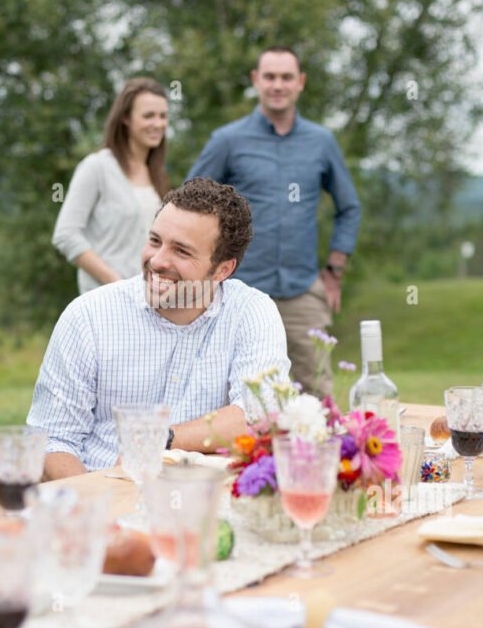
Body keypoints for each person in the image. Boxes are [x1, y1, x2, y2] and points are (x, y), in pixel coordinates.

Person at [29, 177, 291, 480]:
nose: (157, 260)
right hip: (103, 496)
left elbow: (260, 415)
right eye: (155, 241)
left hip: (207, 501)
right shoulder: (88, 316)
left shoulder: (252, 311)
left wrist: (156, 440)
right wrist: (96, 510)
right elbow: (53, 440)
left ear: (223, 270)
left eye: (181, 251)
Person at [186, 46, 362, 395]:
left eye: (286, 77)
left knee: (316, 396)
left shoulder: (321, 141)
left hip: (302, 291)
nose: (277, 85)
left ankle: (313, 453)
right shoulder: (228, 141)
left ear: (300, 82)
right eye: (270, 77)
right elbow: (190, 204)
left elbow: (350, 208)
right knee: (239, 393)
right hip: (239, 288)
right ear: (256, 81)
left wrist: (335, 269)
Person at [52, 77, 170, 294]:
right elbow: (65, 234)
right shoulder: (96, 167)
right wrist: (116, 283)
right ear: (126, 118)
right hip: (105, 300)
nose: (158, 124)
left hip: (149, 302)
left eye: (163, 116)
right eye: (148, 116)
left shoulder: (158, 175)